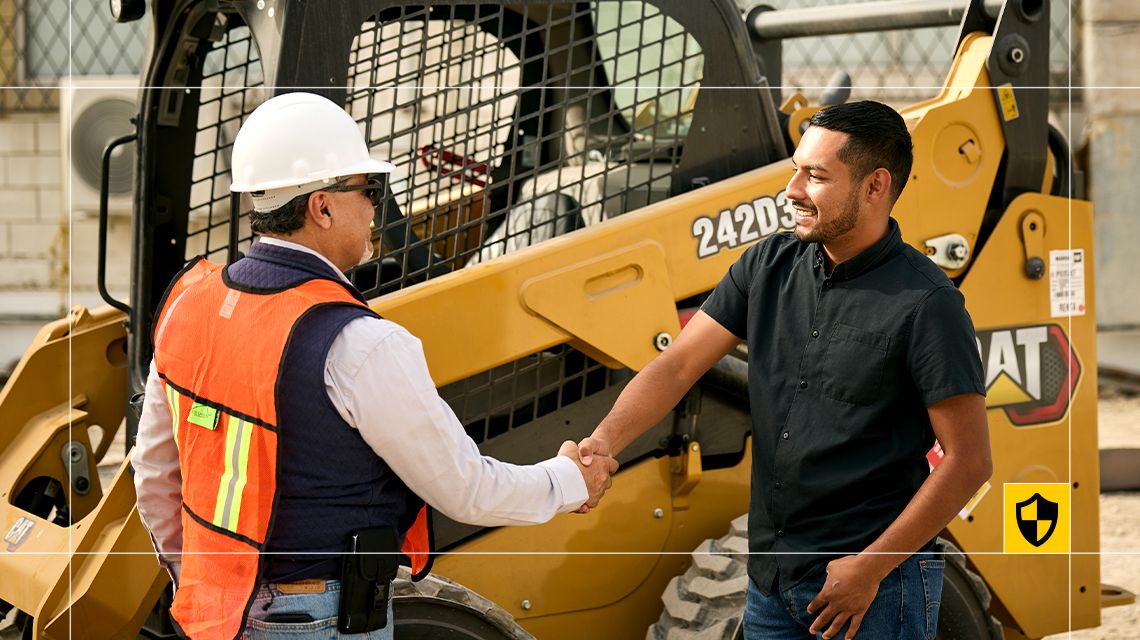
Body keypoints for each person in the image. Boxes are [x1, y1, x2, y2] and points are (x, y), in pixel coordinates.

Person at [133, 92, 618, 640]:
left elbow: (153, 475)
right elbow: (467, 489)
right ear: (322, 207)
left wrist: (202, 584)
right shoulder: (358, 342)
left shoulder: (187, 307)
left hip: (210, 615)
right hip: (317, 621)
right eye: (371, 190)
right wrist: (569, 480)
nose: (375, 209)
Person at [578, 101, 992, 640]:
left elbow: (968, 461)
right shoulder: (765, 265)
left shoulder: (928, 304)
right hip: (771, 583)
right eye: (796, 170)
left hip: (874, 591)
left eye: (815, 176)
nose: (792, 190)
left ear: (875, 186)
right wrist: (602, 443)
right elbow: (677, 366)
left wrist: (869, 568)